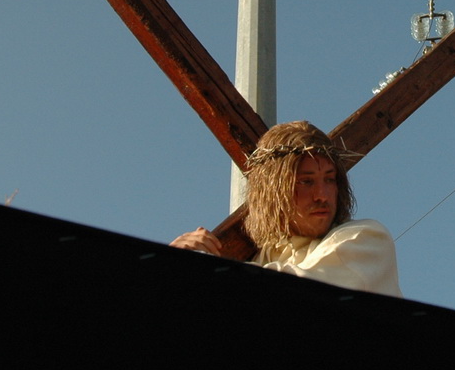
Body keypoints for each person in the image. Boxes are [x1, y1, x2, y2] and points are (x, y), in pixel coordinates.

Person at [170, 121, 401, 297]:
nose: (322, 195)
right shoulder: (263, 255)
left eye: (329, 180)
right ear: (274, 191)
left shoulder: (365, 240)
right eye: (306, 181)